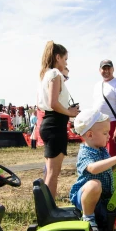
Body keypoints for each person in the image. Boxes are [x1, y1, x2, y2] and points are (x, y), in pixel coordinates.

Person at [69, 109, 116, 231]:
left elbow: (108, 168)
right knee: (94, 184)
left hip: (102, 199)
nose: (109, 136)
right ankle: (88, 217)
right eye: (105, 133)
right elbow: (93, 169)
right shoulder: (85, 152)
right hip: (85, 197)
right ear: (90, 135)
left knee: (106, 225)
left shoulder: (102, 150)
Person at [37, 41, 80, 197]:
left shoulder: (46, 75)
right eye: (65, 59)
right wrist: (70, 112)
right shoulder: (55, 74)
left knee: (50, 171)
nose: (66, 62)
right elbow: (53, 103)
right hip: (55, 125)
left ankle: (47, 208)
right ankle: (48, 210)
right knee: (53, 173)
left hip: (50, 123)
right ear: (58, 57)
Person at [93, 60, 116, 157]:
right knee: (100, 154)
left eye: (109, 68)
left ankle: (112, 172)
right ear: (100, 70)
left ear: (113, 69)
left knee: (111, 154)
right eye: (104, 68)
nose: (106, 71)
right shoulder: (97, 85)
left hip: (111, 123)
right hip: (99, 124)